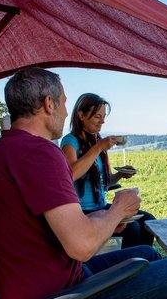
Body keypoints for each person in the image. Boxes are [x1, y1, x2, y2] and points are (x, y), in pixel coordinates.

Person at [0, 67, 167, 299]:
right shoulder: (39, 152)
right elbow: (82, 247)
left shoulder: (2, 152)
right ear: (49, 104)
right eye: (62, 102)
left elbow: (47, 227)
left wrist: (104, 216)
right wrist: (118, 209)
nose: (64, 111)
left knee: (147, 254)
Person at [60, 93, 155, 248]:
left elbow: (104, 181)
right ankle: (128, 265)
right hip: (84, 211)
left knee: (149, 221)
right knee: (133, 229)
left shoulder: (97, 142)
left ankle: (144, 261)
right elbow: (71, 174)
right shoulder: (71, 141)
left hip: (101, 205)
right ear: (81, 115)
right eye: (98, 116)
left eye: (103, 117)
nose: (102, 121)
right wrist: (98, 147)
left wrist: (119, 175)